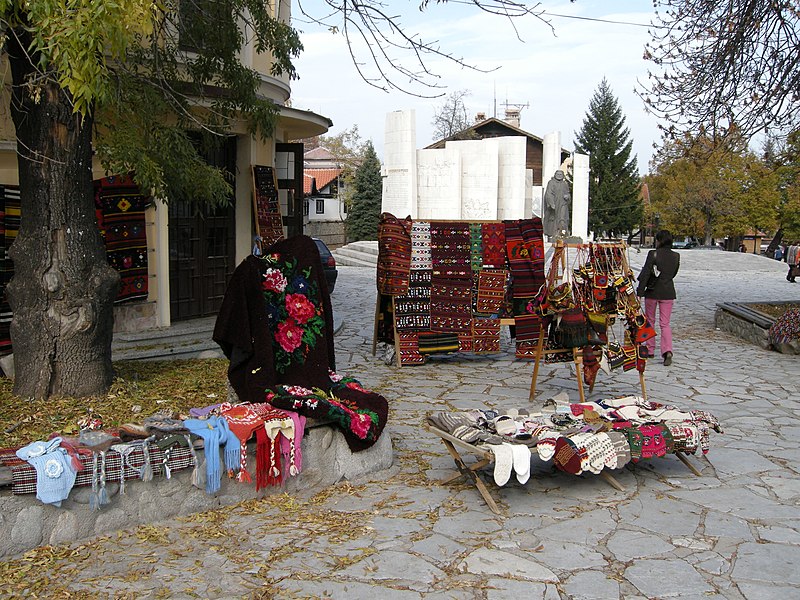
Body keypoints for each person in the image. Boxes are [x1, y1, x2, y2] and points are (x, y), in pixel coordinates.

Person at [636, 229, 680, 366]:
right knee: (665, 323)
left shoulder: (653, 254)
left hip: (653, 291)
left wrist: (640, 292)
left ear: (659, 240)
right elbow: (674, 273)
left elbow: (646, 273)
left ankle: (650, 348)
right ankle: (667, 351)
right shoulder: (676, 256)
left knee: (650, 320)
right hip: (668, 292)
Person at [543, 169, 571, 238]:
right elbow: (548, 194)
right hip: (554, 204)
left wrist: (567, 196)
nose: (559, 176)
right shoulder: (551, 182)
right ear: (555, 175)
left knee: (563, 218)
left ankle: (563, 233)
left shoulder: (565, 184)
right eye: (557, 174)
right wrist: (551, 203)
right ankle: (553, 233)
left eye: (560, 174)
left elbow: (568, 193)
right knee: (553, 219)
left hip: (563, 204)